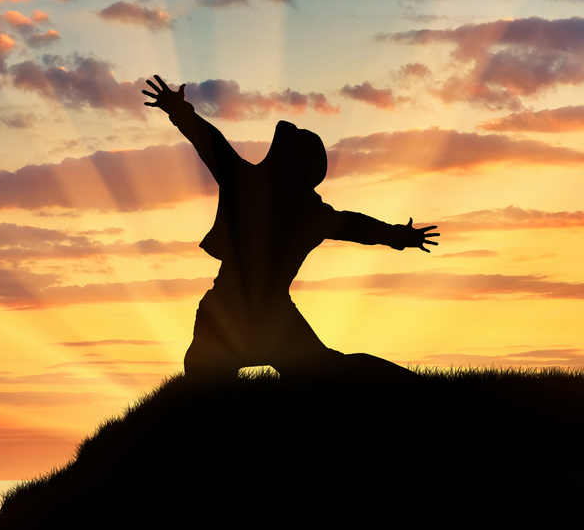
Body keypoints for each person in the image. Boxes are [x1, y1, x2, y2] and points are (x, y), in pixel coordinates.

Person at [142, 75, 439, 380]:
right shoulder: (296, 206)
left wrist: (400, 236)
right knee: (210, 389)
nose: (271, 155)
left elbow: (356, 225)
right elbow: (357, 226)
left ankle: (410, 387)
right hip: (242, 316)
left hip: (250, 317)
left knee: (324, 372)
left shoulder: (255, 187)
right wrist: (401, 236)